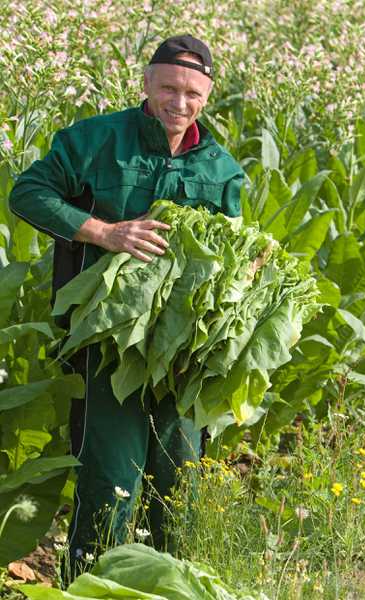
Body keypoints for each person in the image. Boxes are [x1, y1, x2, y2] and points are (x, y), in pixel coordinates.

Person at [9, 34, 244, 568]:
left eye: (192, 94)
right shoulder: (93, 141)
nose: (179, 104)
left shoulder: (222, 168)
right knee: (109, 482)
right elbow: (27, 192)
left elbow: (232, 253)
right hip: (104, 345)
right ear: (145, 83)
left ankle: (172, 583)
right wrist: (101, 231)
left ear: (208, 97)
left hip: (182, 353)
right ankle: (93, 582)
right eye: (168, 88)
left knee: (180, 485)